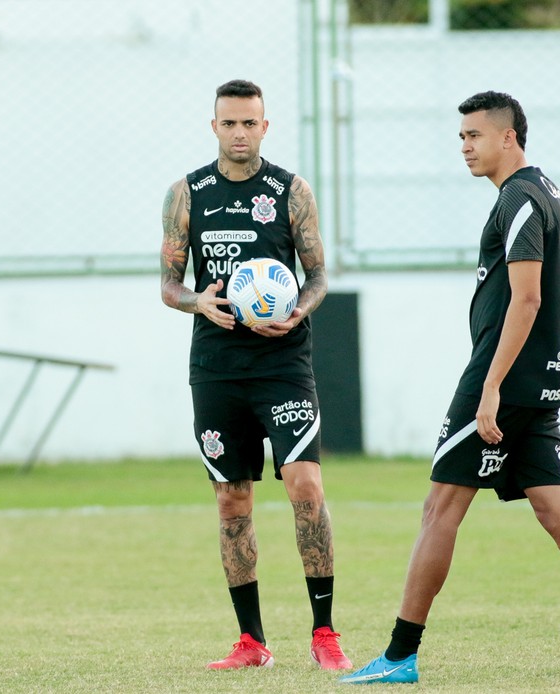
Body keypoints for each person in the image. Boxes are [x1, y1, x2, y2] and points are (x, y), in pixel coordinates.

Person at [340, 91, 560, 684]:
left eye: (474, 136)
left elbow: (529, 297)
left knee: (439, 509)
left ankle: (400, 657)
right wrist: (536, 348)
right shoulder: (550, 193)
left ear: (509, 137)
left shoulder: (520, 201)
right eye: (460, 138)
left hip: (499, 386)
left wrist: (494, 383)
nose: (465, 147)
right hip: (540, 386)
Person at [160, 79, 352, 671]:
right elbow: (167, 285)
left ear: (265, 126)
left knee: (306, 486)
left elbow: (318, 274)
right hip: (216, 368)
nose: (240, 133)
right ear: (213, 125)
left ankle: (324, 633)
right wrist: (199, 303)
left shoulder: (290, 191)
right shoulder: (185, 193)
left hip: (282, 362)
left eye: (250, 123)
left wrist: (298, 309)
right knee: (231, 499)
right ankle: (252, 642)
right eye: (229, 123)